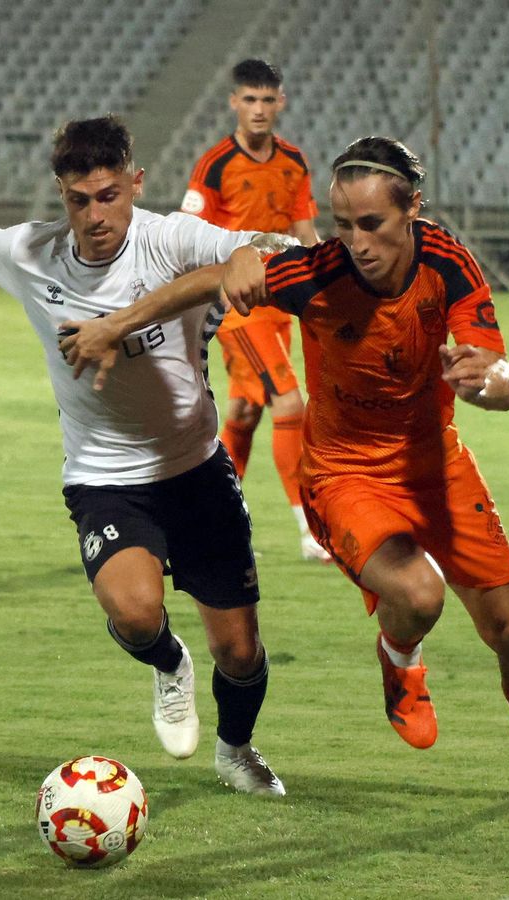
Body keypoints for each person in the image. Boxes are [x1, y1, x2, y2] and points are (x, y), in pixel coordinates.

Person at [60, 137, 509, 810]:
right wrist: (123, 323)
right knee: (420, 596)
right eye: (343, 225)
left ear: (413, 210)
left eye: (371, 224)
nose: (356, 242)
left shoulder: (448, 264)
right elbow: (205, 282)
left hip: (436, 464)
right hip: (344, 474)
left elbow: (496, 371)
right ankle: (400, 655)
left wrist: (490, 382)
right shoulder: (317, 270)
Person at [0, 115, 289, 795]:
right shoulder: (35, 252)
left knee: (239, 649)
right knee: (136, 614)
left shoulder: (169, 239)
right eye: (79, 200)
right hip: (104, 477)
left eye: (109, 195)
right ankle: (169, 665)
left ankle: (237, 750)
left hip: (197, 470)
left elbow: (245, 254)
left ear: (135, 184)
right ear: (61, 195)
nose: (95, 214)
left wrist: (248, 251)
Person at [181, 59, 328, 562]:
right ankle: (310, 533)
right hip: (238, 306)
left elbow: (306, 233)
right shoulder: (216, 164)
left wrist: (334, 283)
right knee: (290, 403)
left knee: (244, 410)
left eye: (268, 100)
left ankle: (211, 523)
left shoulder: (293, 160)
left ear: (280, 103)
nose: (259, 109)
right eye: (250, 99)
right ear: (234, 103)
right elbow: (188, 233)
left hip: (279, 305)